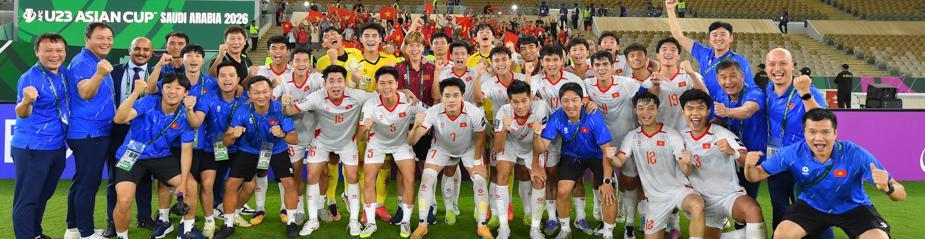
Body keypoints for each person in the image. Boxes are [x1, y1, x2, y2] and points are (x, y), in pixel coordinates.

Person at [745, 108, 906, 239]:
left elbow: (901, 194)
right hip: (812, 205)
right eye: (812, 132)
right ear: (805, 133)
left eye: (825, 132)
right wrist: (749, 166)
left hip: (853, 206)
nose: (818, 138)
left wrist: (888, 187)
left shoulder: (855, 153)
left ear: (835, 133)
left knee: (878, 237)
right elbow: (756, 175)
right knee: (782, 234)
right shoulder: (792, 153)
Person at [111, 73, 200, 239]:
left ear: (186, 93)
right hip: (132, 154)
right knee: (124, 200)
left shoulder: (185, 116)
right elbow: (119, 118)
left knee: (191, 185)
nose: (172, 91)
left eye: (178, 88)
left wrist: (183, 182)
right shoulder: (148, 102)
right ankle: (122, 236)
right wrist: (136, 92)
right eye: (168, 87)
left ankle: (187, 231)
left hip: (161, 156)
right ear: (162, 89)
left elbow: (187, 150)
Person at [613, 92, 707, 239]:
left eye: (651, 108)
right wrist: (611, 156)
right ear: (636, 110)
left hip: (678, 190)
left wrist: (687, 163)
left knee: (697, 205)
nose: (646, 112)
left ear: (658, 110)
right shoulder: (632, 136)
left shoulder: (671, 134)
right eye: (641, 108)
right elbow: (619, 161)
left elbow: (686, 171)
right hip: (655, 200)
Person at [408, 77, 492, 239]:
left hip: (469, 149)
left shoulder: (473, 111)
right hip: (441, 148)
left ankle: (482, 226)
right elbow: (411, 141)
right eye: (447, 96)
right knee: (427, 178)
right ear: (441, 96)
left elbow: (481, 136)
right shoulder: (433, 111)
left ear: (462, 95)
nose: (451, 100)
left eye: (455, 95)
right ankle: (422, 224)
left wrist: (477, 163)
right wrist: (416, 127)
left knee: (480, 180)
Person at [533, 82, 618, 239]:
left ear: (582, 100)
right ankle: (565, 230)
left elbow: (607, 149)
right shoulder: (557, 117)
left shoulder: (592, 116)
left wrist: (606, 181)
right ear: (560, 101)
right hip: (572, 155)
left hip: (598, 156)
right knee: (563, 190)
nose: (570, 105)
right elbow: (541, 148)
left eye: (574, 100)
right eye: (565, 100)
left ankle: (608, 232)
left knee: (607, 192)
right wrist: (537, 135)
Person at [678, 89, 767, 239]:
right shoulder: (679, 137)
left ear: (708, 111)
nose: (695, 113)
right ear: (683, 112)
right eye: (690, 108)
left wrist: (733, 152)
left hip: (729, 195)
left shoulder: (721, 133)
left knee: (753, 210)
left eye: (700, 108)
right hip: (702, 202)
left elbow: (744, 158)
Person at [763, 48, 828, 237]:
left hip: (806, 162)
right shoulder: (768, 89)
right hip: (777, 162)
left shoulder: (808, 91)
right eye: (772, 64)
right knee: (780, 211)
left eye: (783, 63)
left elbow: (823, 120)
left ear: (793, 66)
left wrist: (805, 94)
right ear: (766, 67)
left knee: (813, 213)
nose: (777, 68)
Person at [356, 66, 427, 238]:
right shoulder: (370, 104)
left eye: (390, 83)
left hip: (401, 143)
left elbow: (429, 112)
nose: (386, 87)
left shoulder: (408, 100)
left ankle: (406, 222)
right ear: (377, 86)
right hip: (377, 143)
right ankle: (371, 223)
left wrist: (421, 122)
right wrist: (365, 129)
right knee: (368, 180)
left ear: (397, 84)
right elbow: (361, 136)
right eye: (382, 83)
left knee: (410, 178)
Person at [529, 45, 592, 235]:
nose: (552, 64)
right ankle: (551, 219)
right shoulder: (533, 81)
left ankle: (581, 218)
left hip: (573, 135)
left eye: (555, 59)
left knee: (577, 177)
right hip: (550, 137)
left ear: (562, 61)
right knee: (551, 177)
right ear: (541, 62)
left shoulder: (574, 80)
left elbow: (586, 103)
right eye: (547, 60)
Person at [583, 50, 647, 239]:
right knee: (601, 179)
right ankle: (603, 217)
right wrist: (587, 102)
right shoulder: (587, 84)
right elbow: (578, 97)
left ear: (613, 66)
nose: (601, 68)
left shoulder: (627, 84)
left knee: (629, 182)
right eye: (597, 65)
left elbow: (648, 95)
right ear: (592, 68)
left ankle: (629, 225)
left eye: (605, 65)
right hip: (601, 142)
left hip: (627, 139)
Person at [12, 33, 69, 239]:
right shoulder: (29, 78)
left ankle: (35, 233)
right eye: (48, 50)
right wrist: (27, 100)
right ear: (37, 52)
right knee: (27, 199)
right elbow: (22, 112)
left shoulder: (63, 72)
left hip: (56, 146)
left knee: (43, 194)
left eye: (59, 50)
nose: (54, 55)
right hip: (32, 148)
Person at [64, 22, 115, 239]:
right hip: (89, 133)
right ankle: (85, 233)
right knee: (88, 184)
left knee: (82, 181)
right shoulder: (85, 62)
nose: (106, 42)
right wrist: (100, 74)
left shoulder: (95, 60)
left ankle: (73, 228)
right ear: (87, 39)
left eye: (109, 38)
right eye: (100, 37)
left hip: (93, 132)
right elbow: (85, 92)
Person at [104, 37, 156, 237]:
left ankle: (144, 217)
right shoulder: (114, 71)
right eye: (137, 49)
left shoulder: (156, 75)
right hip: (118, 132)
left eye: (146, 50)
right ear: (130, 49)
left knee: (144, 178)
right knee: (115, 179)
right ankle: (112, 221)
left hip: (144, 133)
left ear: (151, 53)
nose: (141, 53)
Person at [666, 0, 755, 97]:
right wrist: (670, 10)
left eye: (723, 34)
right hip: (706, 108)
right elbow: (679, 37)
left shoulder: (740, 61)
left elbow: (749, 91)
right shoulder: (704, 53)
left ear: (731, 38)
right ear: (709, 39)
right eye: (714, 35)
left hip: (728, 110)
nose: (718, 38)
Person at [643, 37, 708, 131]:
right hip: (662, 133)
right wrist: (655, 86)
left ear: (678, 56)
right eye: (664, 49)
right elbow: (645, 108)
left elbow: (706, 97)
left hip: (688, 132)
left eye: (673, 50)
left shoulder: (690, 76)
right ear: (657, 55)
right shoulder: (649, 82)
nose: (668, 52)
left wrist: (692, 74)